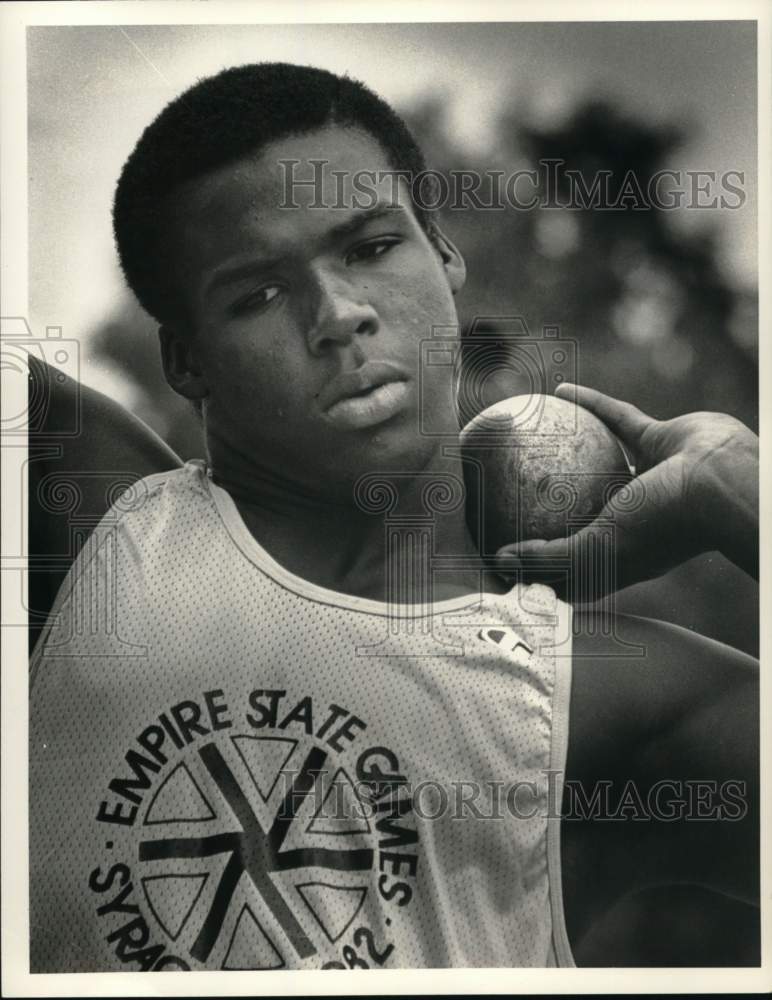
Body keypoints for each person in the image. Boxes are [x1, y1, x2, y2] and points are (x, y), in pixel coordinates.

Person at [28, 63, 759, 972]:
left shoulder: (600, 699)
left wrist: (745, 495)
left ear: (443, 251)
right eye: (257, 295)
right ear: (184, 361)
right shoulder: (87, 526)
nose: (338, 316)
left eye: (371, 247)